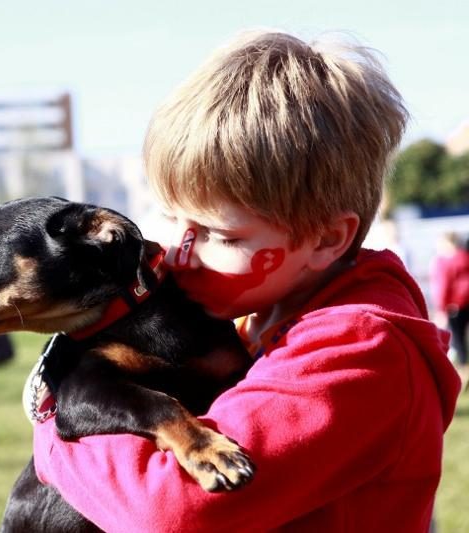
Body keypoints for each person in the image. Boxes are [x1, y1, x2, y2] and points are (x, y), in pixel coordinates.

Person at [29, 31, 461, 531]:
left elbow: (171, 509)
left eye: (221, 235)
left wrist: (53, 428)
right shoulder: (252, 317)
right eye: (169, 217)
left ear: (325, 239)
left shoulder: (360, 351)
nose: (177, 253)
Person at [430, 232, 469, 387]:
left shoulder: (444, 262)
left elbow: (443, 286)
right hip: (466, 302)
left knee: (459, 343)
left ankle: (463, 377)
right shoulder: (465, 257)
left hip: (455, 306)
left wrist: (441, 308)